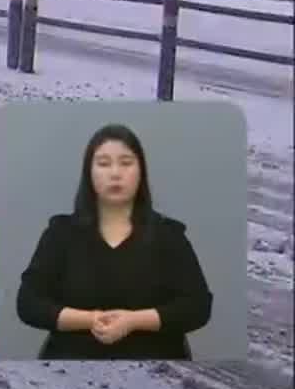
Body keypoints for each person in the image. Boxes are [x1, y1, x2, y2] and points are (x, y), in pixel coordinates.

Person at [15, 123, 213, 360]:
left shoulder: (168, 236)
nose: (115, 173)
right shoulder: (61, 234)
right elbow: (28, 303)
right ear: (89, 173)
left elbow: (198, 306)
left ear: (141, 172)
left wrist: (133, 321)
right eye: (103, 164)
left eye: (126, 163)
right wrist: (90, 320)